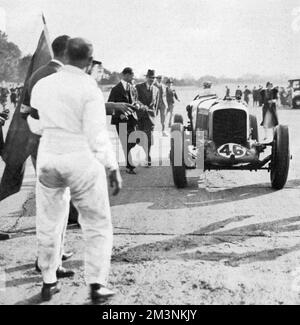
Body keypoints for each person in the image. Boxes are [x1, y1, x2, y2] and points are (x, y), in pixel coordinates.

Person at [31, 37, 122, 303]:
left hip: (48, 157)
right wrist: (111, 167)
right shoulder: (88, 86)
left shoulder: (43, 84)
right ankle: (96, 284)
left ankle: (48, 281)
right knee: (96, 223)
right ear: (89, 59)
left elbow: (35, 124)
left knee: (48, 223)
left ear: (67, 55)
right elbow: (96, 135)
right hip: (81, 158)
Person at [108, 67, 138, 174]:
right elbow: (110, 105)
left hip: (131, 119)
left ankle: (127, 159)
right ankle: (129, 166)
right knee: (125, 142)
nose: (133, 77)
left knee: (136, 139)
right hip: (120, 121)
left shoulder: (133, 88)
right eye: (132, 75)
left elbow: (135, 102)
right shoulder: (115, 89)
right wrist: (120, 115)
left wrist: (136, 106)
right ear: (126, 75)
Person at [135, 69, 159, 167]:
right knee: (140, 139)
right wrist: (141, 106)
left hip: (150, 117)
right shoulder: (138, 87)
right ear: (146, 77)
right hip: (140, 116)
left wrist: (154, 115)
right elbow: (135, 99)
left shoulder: (157, 90)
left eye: (153, 78)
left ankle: (147, 156)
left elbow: (156, 104)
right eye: (150, 77)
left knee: (148, 137)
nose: (152, 79)